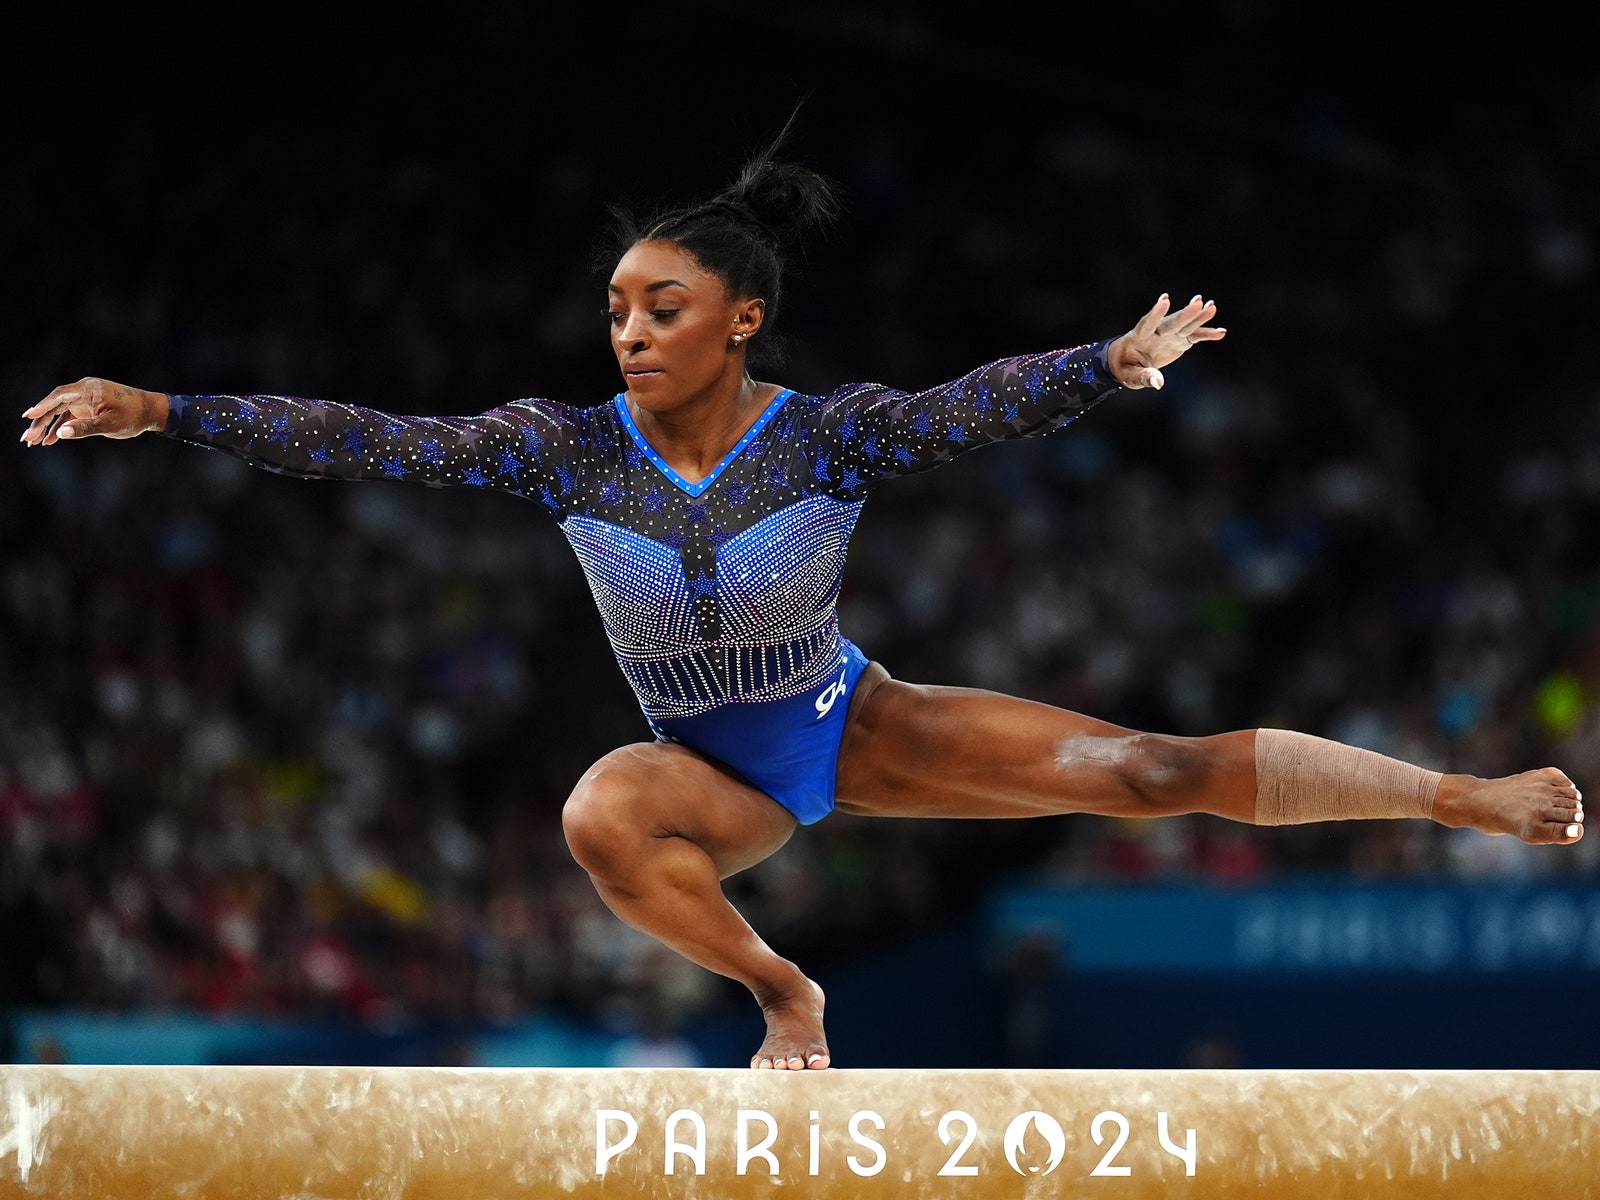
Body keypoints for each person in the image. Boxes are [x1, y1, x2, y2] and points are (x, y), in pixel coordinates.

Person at [21, 126, 1585, 1072]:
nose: (627, 332)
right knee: (598, 810)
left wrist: (1103, 366)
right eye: (616, 309)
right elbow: (367, 440)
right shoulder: (556, 451)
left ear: (741, 318)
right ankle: (784, 991)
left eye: (663, 306)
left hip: (851, 718)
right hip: (711, 773)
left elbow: (968, 406)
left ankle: (1460, 795)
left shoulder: (823, 434)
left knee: (1149, 772)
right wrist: (166, 410)